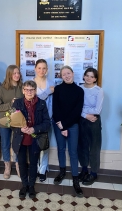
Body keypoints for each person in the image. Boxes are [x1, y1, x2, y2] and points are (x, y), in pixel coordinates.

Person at [12, 80, 51, 199]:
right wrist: (20, 130)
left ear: (35, 91)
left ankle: (32, 185)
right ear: (23, 91)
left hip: (35, 139)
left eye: (32, 90)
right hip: (21, 139)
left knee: (34, 163)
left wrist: (34, 129)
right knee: (22, 163)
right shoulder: (17, 103)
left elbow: (47, 123)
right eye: (27, 89)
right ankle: (24, 185)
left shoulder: (42, 104)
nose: (29, 92)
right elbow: (11, 122)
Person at [52, 65, 84, 197]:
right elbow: (55, 108)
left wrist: (65, 126)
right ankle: (62, 172)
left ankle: (75, 179)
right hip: (58, 124)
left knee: (73, 151)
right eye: (63, 74)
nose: (66, 75)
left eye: (68, 73)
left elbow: (77, 111)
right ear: (61, 76)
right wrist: (62, 126)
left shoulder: (79, 91)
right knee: (60, 149)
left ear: (73, 73)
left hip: (72, 125)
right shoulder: (58, 89)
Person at [0, 65, 23, 179]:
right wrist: (10, 104)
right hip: (4, 121)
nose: (17, 75)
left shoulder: (22, 87)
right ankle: (7, 167)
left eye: (18, 73)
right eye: (14, 73)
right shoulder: (2, 89)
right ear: (9, 74)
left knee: (17, 145)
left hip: (18, 121)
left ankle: (18, 166)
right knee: (5, 145)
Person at [78, 68, 104, 185]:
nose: (89, 78)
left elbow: (97, 110)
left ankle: (93, 173)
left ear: (95, 79)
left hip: (94, 121)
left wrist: (85, 113)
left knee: (94, 147)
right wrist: (85, 114)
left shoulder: (99, 91)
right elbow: (76, 107)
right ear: (83, 76)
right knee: (82, 145)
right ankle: (84, 170)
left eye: (92, 76)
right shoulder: (79, 89)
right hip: (81, 120)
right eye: (87, 75)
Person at [33, 59, 54, 182]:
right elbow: (36, 100)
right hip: (34, 120)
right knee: (34, 146)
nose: (42, 70)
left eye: (44, 68)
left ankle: (43, 170)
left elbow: (52, 104)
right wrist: (48, 92)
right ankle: (35, 168)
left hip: (47, 120)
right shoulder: (30, 83)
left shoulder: (51, 83)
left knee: (45, 145)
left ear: (47, 70)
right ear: (35, 69)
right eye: (39, 68)